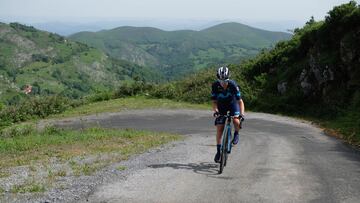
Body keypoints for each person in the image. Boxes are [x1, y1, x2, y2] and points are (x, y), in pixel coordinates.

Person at [211, 66, 245, 163]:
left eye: (225, 80)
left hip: (233, 105)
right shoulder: (215, 85)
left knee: (236, 120)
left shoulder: (233, 85)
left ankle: (236, 133)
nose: (223, 83)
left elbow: (240, 102)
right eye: (221, 80)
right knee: (219, 128)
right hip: (221, 106)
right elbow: (214, 102)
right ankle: (218, 151)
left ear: (228, 79)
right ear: (218, 79)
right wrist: (216, 110)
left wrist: (241, 114)